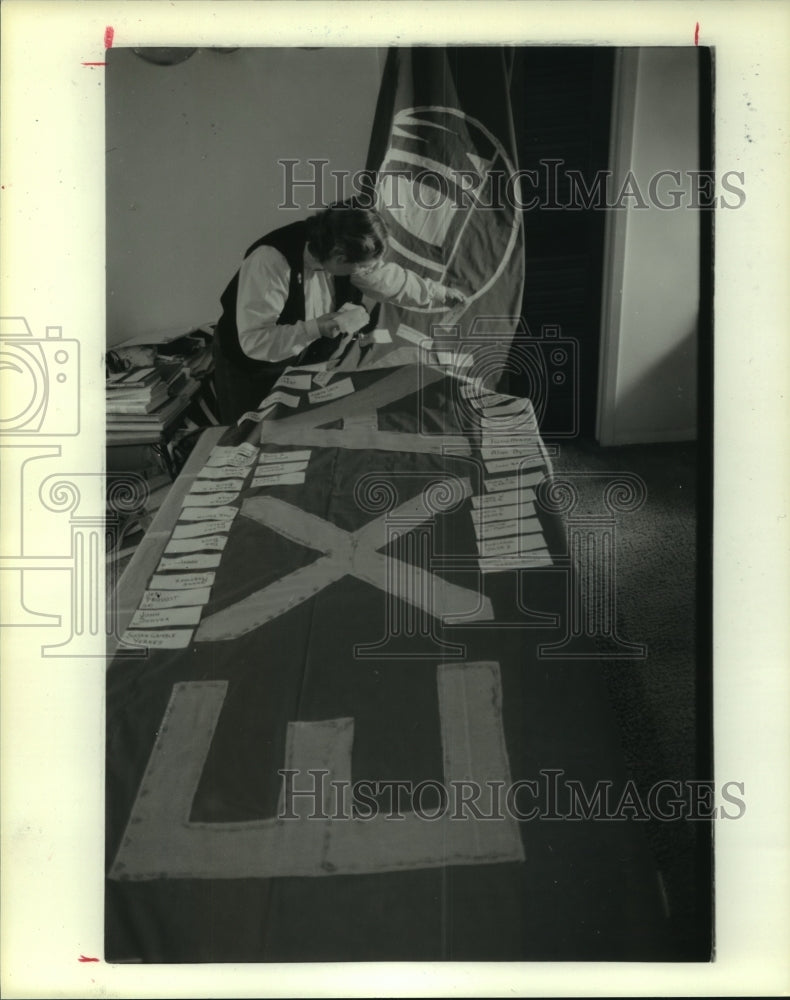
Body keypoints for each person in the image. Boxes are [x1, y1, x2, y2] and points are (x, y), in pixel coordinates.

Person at [212, 203, 465, 422]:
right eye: (362, 268)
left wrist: (438, 293)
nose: (366, 273)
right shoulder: (270, 260)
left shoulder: (341, 248)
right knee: (248, 436)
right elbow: (255, 341)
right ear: (338, 257)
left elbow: (386, 279)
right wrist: (318, 328)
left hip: (299, 361)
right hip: (248, 368)